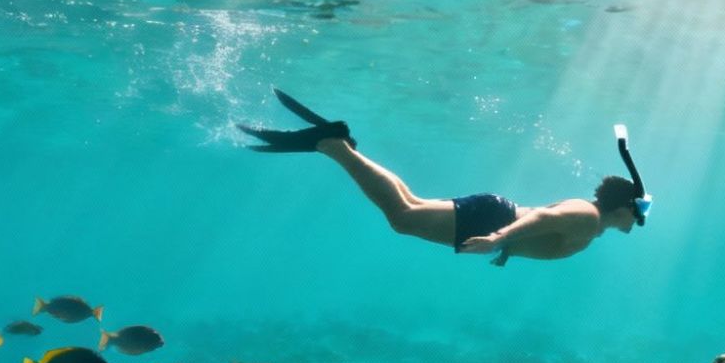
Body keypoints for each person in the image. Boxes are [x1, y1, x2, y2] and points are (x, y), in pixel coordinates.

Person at [241, 89, 650, 265]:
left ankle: (341, 144)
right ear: (623, 207)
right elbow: (542, 219)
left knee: (411, 205)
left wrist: (506, 249)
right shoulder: (588, 216)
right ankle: (332, 146)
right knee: (402, 217)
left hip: (496, 216)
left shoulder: (591, 222)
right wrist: (499, 239)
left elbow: (541, 223)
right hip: (493, 221)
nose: (641, 218)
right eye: (641, 209)